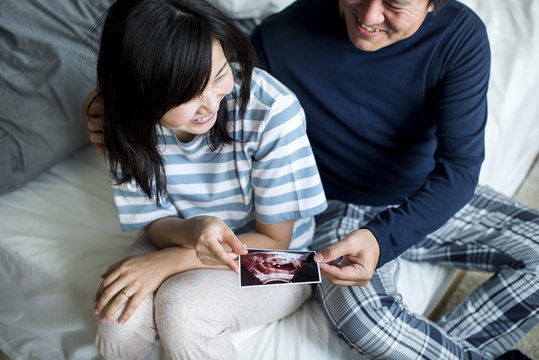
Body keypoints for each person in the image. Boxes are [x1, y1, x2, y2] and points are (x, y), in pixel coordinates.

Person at [84, 0, 539, 359]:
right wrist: (110, 102)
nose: (369, 15)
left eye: (396, 4)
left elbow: (459, 170)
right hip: (329, 209)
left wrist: (383, 237)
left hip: (415, 194)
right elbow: (190, 70)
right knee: (364, 319)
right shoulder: (284, 35)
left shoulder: (460, 38)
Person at [87, 0, 327, 358]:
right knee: (118, 319)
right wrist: (194, 231)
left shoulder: (272, 111)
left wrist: (169, 262)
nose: (210, 105)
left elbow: (276, 240)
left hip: (283, 259)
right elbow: (155, 222)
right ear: (137, 94)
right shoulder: (117, 117)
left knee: (183, 310)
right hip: (178, 235)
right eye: (186, 95)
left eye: (218, 76)